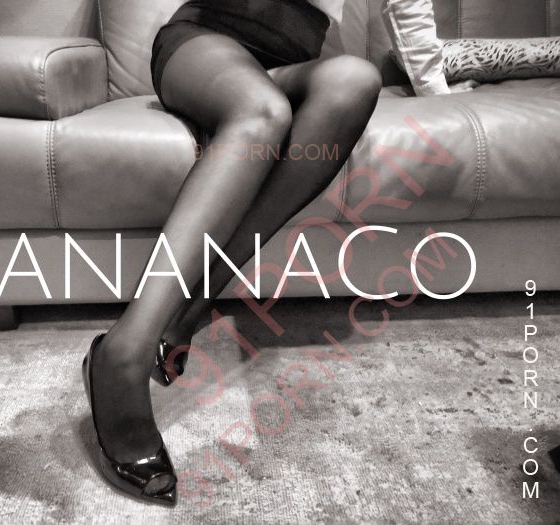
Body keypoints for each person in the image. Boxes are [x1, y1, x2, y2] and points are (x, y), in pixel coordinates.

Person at [82, 0, 455, 506]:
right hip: (203, 45)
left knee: (355, 79)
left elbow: (406, 5)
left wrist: (436, 90)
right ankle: (122, 355)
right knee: (263, 113)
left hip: (286, 64)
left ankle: (190, 309)